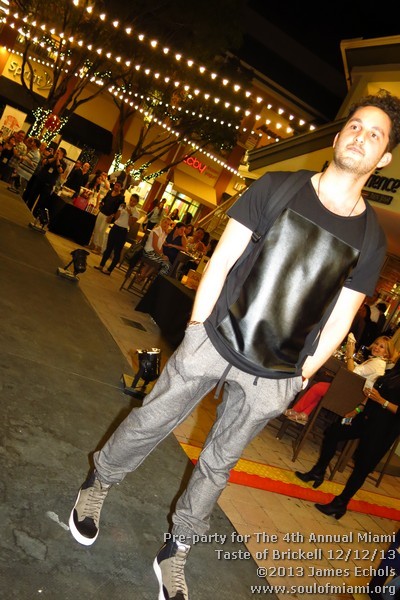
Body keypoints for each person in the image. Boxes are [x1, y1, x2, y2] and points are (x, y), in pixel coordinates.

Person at [69, 91, 400, 600]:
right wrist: (198, 327)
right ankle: (99, 484)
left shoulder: (371, 239)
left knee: (219, 464)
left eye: (374, 134)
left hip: (277, 372)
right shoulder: (278, 186)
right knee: (152, 419)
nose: (361, 137)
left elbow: (343, 313)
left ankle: (177, 549)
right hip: (216, 338)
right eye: (355, 126)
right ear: (338, 136)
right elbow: (223, 259)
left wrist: (302, 374)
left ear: (385, 158)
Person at [295, 357, 400, 519]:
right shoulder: (392, 372)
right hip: (365, 417)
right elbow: (372, 394)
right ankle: (318, 471)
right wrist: (357, 409)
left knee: (362, 467)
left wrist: (381, 401)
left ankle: (341, 503)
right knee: (333, 431)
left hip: (383, 429)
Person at [284, 335, 395, 423]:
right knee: (322, 388)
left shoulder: (377, 363)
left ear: (386, 353)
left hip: (350, 398)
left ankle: (295, 410)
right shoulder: (377, 362)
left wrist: (350, 354)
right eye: (376, 343)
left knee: (318, 387)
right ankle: (304, 414)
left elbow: (352, 374)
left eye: (381, 347)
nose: (376, 347)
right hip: (353, 394)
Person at [94, 193, 140, 275]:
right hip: (115, 227)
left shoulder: (136, 212)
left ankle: (109, 270)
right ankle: (101, 265)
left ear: (137, 203)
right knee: (108, 248)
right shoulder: (124, 206)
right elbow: (116, 218)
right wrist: (120, 209)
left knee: (117, 251)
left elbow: (130, 224)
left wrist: (130, 214)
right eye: (131, 200)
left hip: (123, 231)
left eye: (134, 201)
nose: (131, 202)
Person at [88, 182, 124, 254]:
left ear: (121, 188)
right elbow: (104, 200)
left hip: (109, 216)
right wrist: (100, 204)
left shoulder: (121, 198)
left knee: (102, 231)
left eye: (118, 186)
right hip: (102, 212)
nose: (116, 187)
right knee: (96, 229)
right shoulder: (110, 192)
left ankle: (99, 248)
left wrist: (113, 216)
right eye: (116, 185)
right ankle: (93, 244)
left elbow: (119, 209)